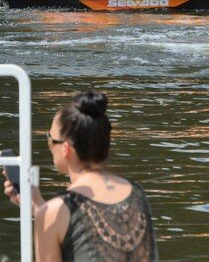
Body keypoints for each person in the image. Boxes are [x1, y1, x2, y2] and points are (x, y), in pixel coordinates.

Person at [3, 91, 157, 261]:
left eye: (50, 139)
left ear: (66, 149)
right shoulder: (137, 193)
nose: (49, 145)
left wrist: (43, 214)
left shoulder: (54, 212)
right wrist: (38, 207)